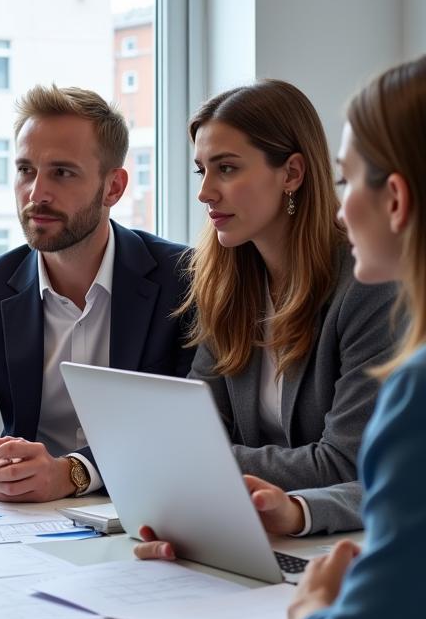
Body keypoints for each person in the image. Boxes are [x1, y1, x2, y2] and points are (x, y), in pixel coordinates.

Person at [134, 80, 395, 559]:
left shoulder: (367, 286)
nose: (205, 192)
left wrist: (195, 462)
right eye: (201, 171)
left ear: (292, 172)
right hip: (253, 536)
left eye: (227, 169)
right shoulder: (225, 284)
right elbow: (197, 426)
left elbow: (346, 460)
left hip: (341, 543)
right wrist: (186, 464)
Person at [0, 84, 193, 503]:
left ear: (114, 187)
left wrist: (72, 474)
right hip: (26, 524)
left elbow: (187, 427)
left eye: (62, 173)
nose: (36, 194)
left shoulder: (181, 280)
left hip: (148, 509)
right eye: (26, 170)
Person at [286, 55, 426, 619]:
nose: (339, 208)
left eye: (345, 181)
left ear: (395, 200)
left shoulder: (419, 389)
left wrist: (312, 608)